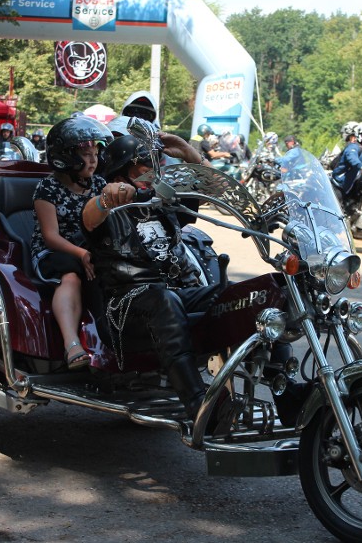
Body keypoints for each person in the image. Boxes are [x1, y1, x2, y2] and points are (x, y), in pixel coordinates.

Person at [80, 130, 242, 434]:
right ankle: (199, 409)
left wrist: (185, 150)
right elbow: (90, 216)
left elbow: (217, 188)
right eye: (145, 166)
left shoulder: (161, 203)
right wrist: (106, 198)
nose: (155, 171)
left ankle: (286, 396)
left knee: (239, 295)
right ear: (123, 171)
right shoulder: (106, 209)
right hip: (126, 307)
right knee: (164, 300)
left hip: (174, 294)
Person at [30, 115, 111, 370]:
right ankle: (72, 344)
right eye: (86, 154)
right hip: (53, 253)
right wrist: (82, 254)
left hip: (91, 249)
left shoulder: (100, 184)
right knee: (72, 275)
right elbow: (50, 237)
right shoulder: (47, 188)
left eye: (96, 153)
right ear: (65, 157)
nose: (93, 159)